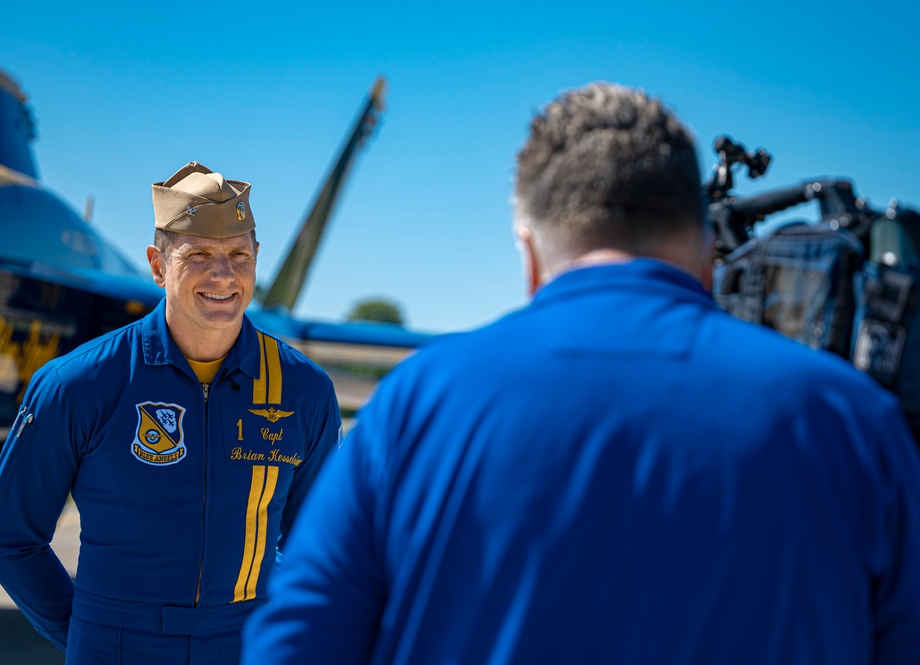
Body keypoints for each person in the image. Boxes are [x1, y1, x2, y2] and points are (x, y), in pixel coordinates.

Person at [240, 84, 920, 664]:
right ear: (710, 246)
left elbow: (296, 641)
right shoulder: (858, 423)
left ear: (528, 250)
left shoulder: (412, 405)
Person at [0, 161, 342, 664]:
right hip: (116, 642)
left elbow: (316, 541)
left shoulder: (302, 390)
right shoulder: (80, 385)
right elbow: (11, 541)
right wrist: (93, 633)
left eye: (239, 254)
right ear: (157, 264)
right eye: (198, 255)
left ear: (257, 259)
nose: (223, 275)